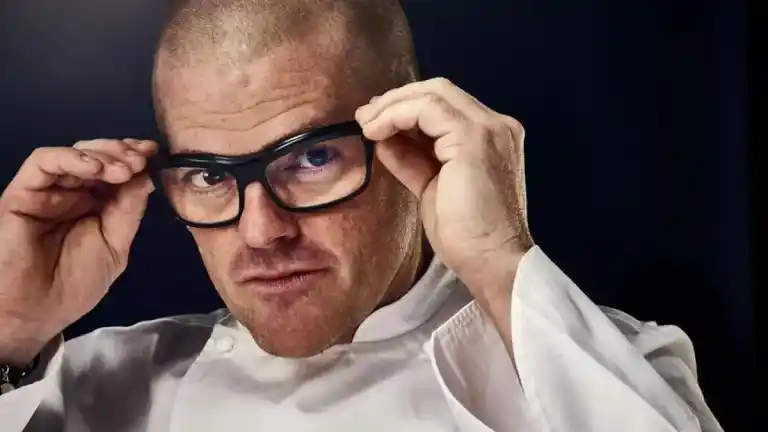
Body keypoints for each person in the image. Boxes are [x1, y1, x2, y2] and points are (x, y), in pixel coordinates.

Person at [0, 0, 722, 430]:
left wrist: (501, 256)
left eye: (312, 158)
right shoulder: (91, 389)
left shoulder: (614, 367)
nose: (261, 232)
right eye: (210, 176)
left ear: (413, 139)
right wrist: (10, 329)